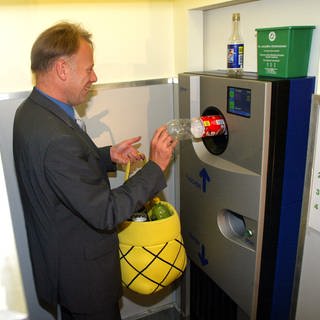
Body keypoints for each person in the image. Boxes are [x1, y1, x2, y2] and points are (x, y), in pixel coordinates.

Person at [13, 22, 177, 320]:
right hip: (85, 277)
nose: (94, 77)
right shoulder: (55, 136)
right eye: (88, 69)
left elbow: (61, 174)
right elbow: (106, 213)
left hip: (62, 262)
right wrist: (156, 167)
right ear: (63, 69)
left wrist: (107, 156)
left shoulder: (31, 112)